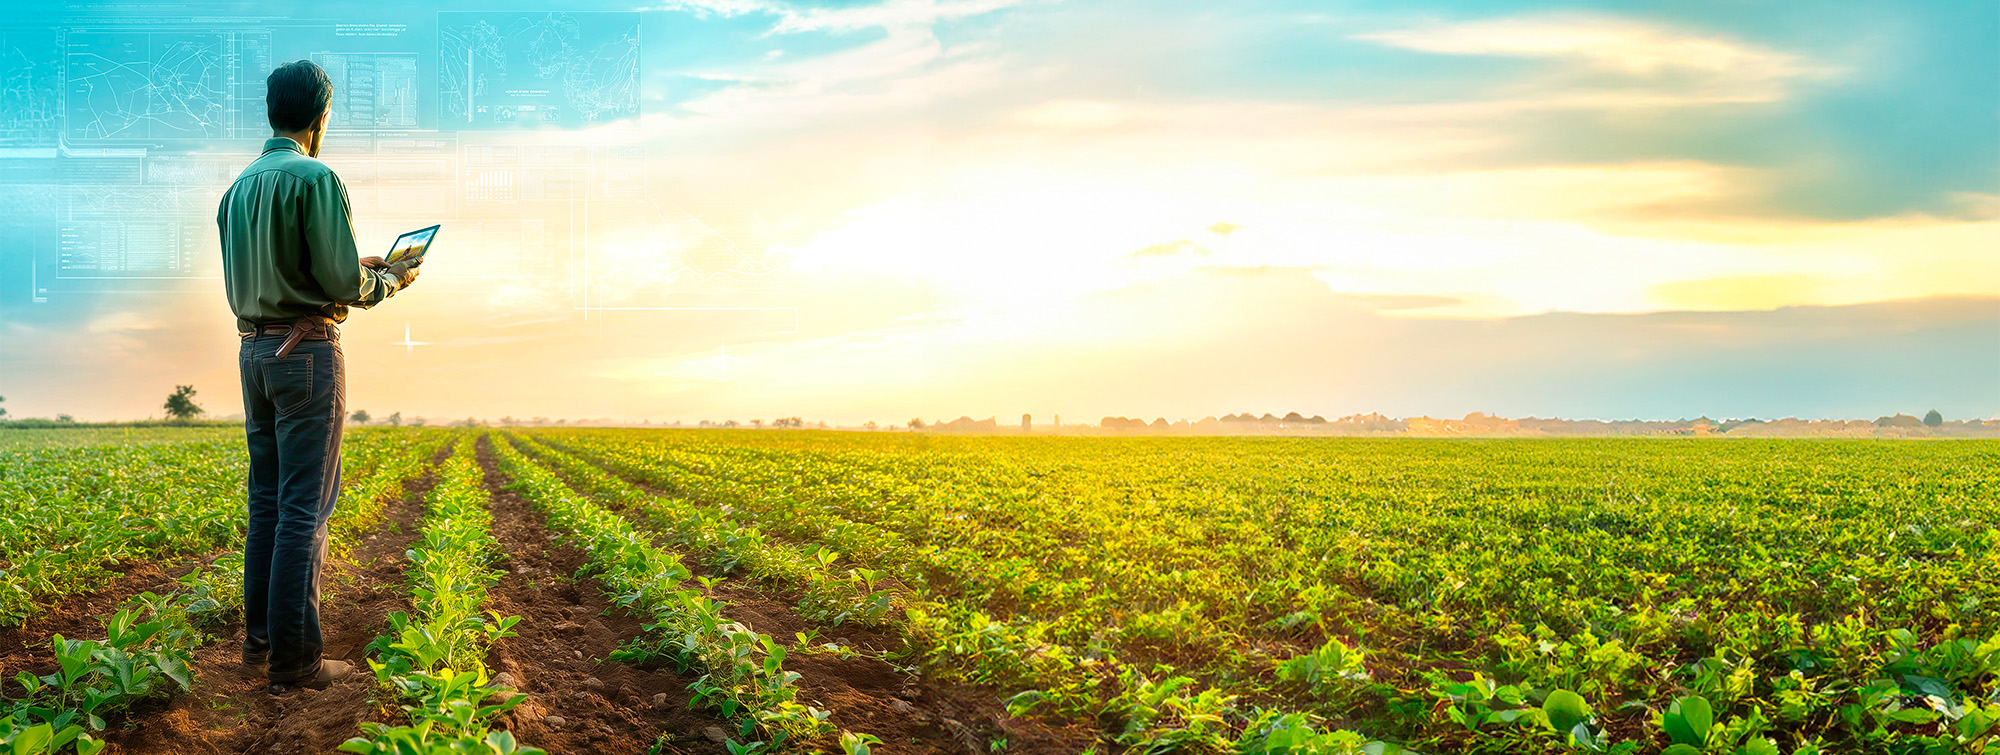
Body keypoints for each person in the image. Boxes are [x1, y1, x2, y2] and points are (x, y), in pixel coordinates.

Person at [216, 59, 421, 693]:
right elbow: (341, 284)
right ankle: (296, 661)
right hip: (306, 354)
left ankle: (258, 645)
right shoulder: (316, 177)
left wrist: (338, 269)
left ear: (273, 111)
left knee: (268, 505)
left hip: (253, 352)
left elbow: (286, 268)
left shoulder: (238, 187)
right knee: (305, 509)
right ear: (321, 117)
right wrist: (386, 279)